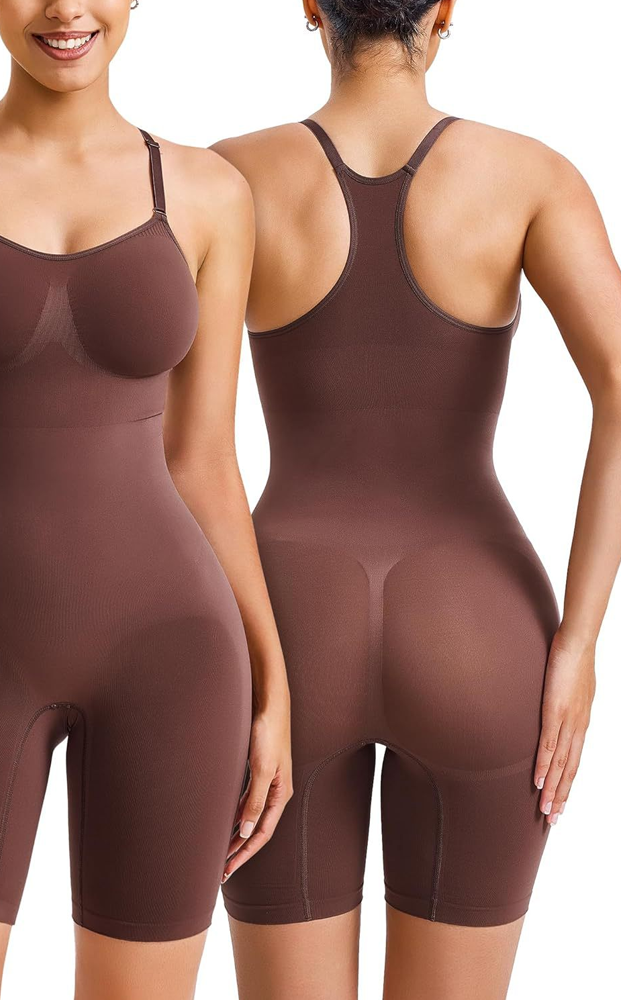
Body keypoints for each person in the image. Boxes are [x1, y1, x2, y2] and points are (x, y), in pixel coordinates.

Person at [0, 2, 292, 998]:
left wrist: (273, 677)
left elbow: (207, 460)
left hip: (174, 655)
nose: (66, 10)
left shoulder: (208, 193)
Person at [213, 2, 621, 997]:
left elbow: (187, 448)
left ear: (311, 8)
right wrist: (577, 643)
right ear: (443, 10)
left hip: (285, 627)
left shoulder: (225, 178)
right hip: (478, 626)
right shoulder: (530, 177)